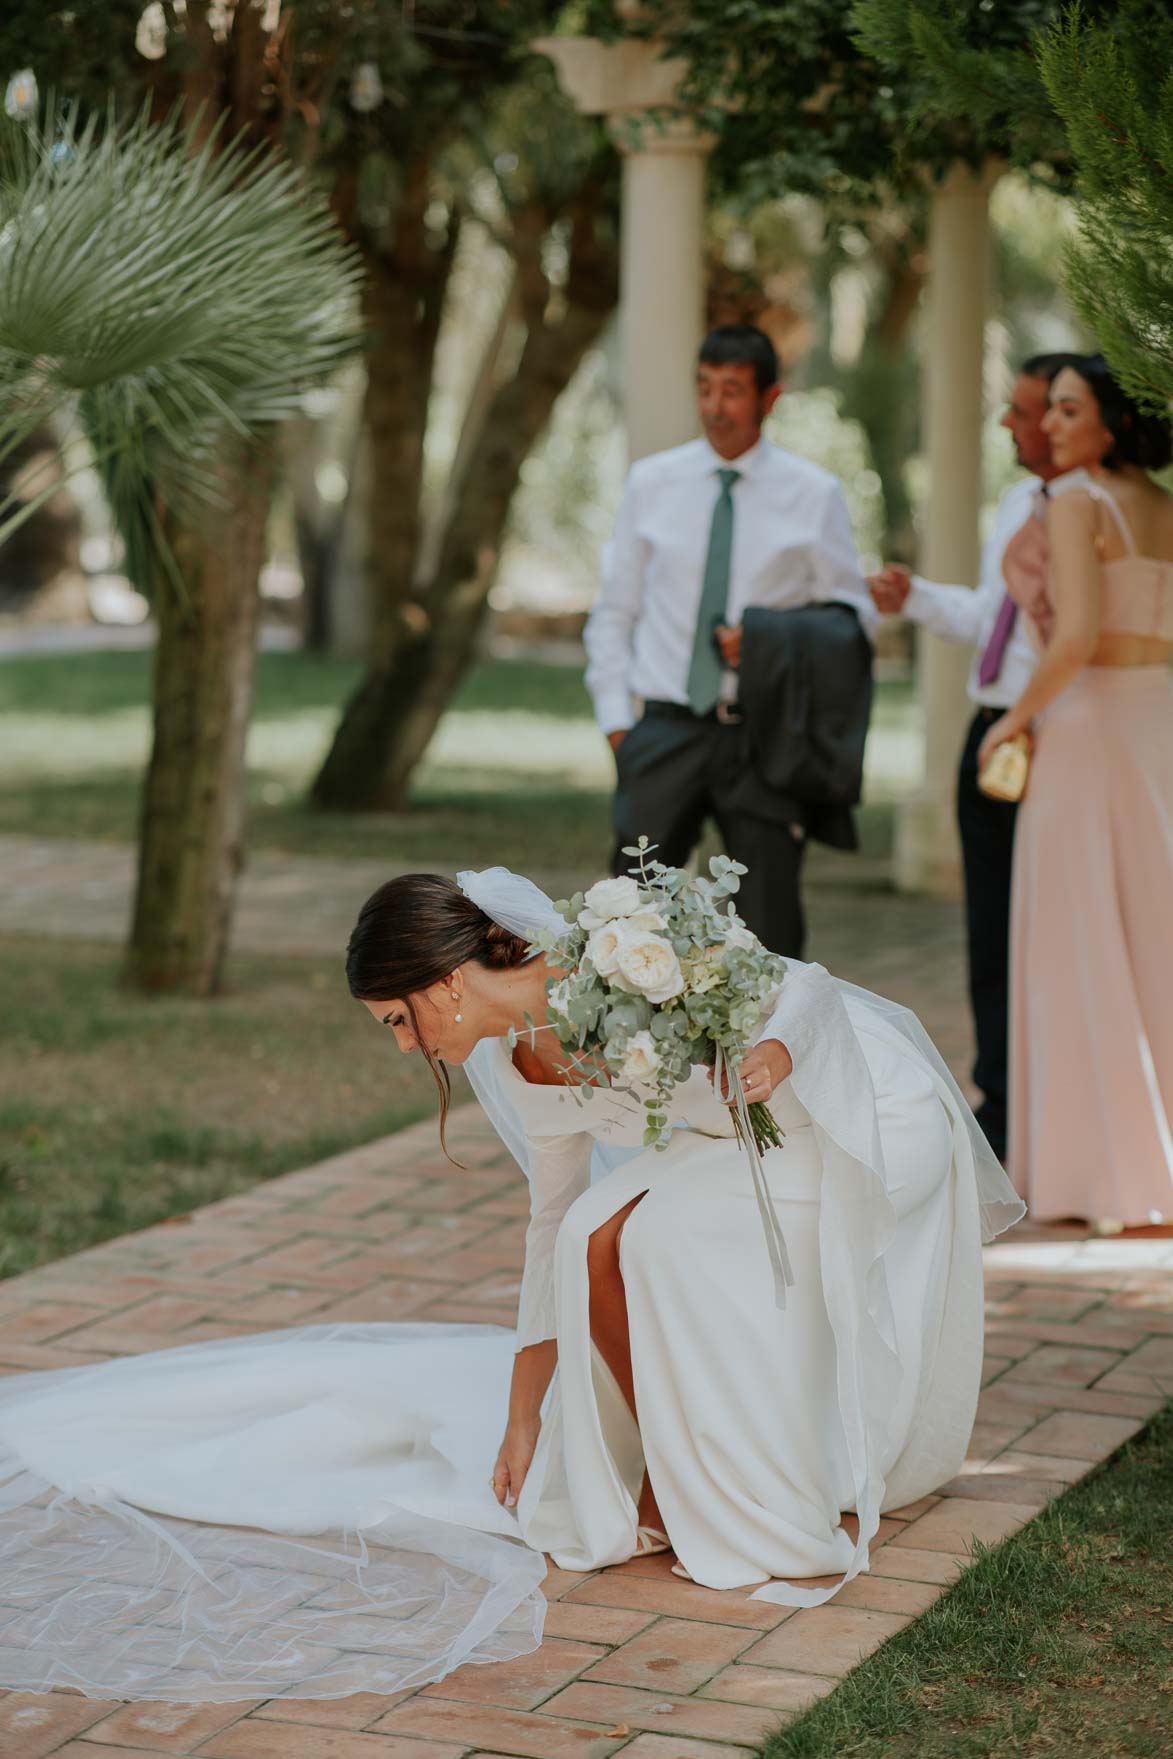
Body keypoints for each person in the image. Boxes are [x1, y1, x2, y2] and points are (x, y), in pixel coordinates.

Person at [0, 867, 1023, 1701]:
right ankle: (666, 1479)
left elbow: (801, 980)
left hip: (849, 1105)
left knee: (658, 1238)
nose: (407, 1046)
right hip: (734, 1138)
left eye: (398, 1021)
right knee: (589, 1229)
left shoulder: (619, 951)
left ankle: (746, 1484)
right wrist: (527, 1416)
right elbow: (548, 1233)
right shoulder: (519, 1063)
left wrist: (771, 1048)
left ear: (443, 985)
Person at [585, 323, 876, 957]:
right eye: (705, 388)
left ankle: (774, 1054)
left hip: (760, 738)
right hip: (663, 731)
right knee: (624, 926)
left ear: (769, 399)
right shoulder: (651, 483)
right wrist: (618, 726)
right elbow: (614, 610)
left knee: (769, 932)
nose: (716, 407)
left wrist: (772, 642)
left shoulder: (813, 494)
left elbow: (854, 622)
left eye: (733, 391)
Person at [975, 356, 1173, 1230]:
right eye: (1045, 410)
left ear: (1108, 421)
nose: (1047, 424)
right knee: (1153, 936)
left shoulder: (1074, 503)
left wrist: (1009, 720)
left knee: (1077, 938)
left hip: (1090, 729)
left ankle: (1093, 1173)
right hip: (1156, 720)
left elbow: (1076, 638)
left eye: (1065, 409)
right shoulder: (1163, 505)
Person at [868, 354, 1081, 1161]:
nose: (1010, 423)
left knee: (1058, 928)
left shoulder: (1096, 513)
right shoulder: (1015, 502)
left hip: (1060, 739)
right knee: (991, 929)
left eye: (1025, 410)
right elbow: (994, 620)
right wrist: (916, 597)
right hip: (989, 734)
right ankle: (999, 1100)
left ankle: (1059, 1101)